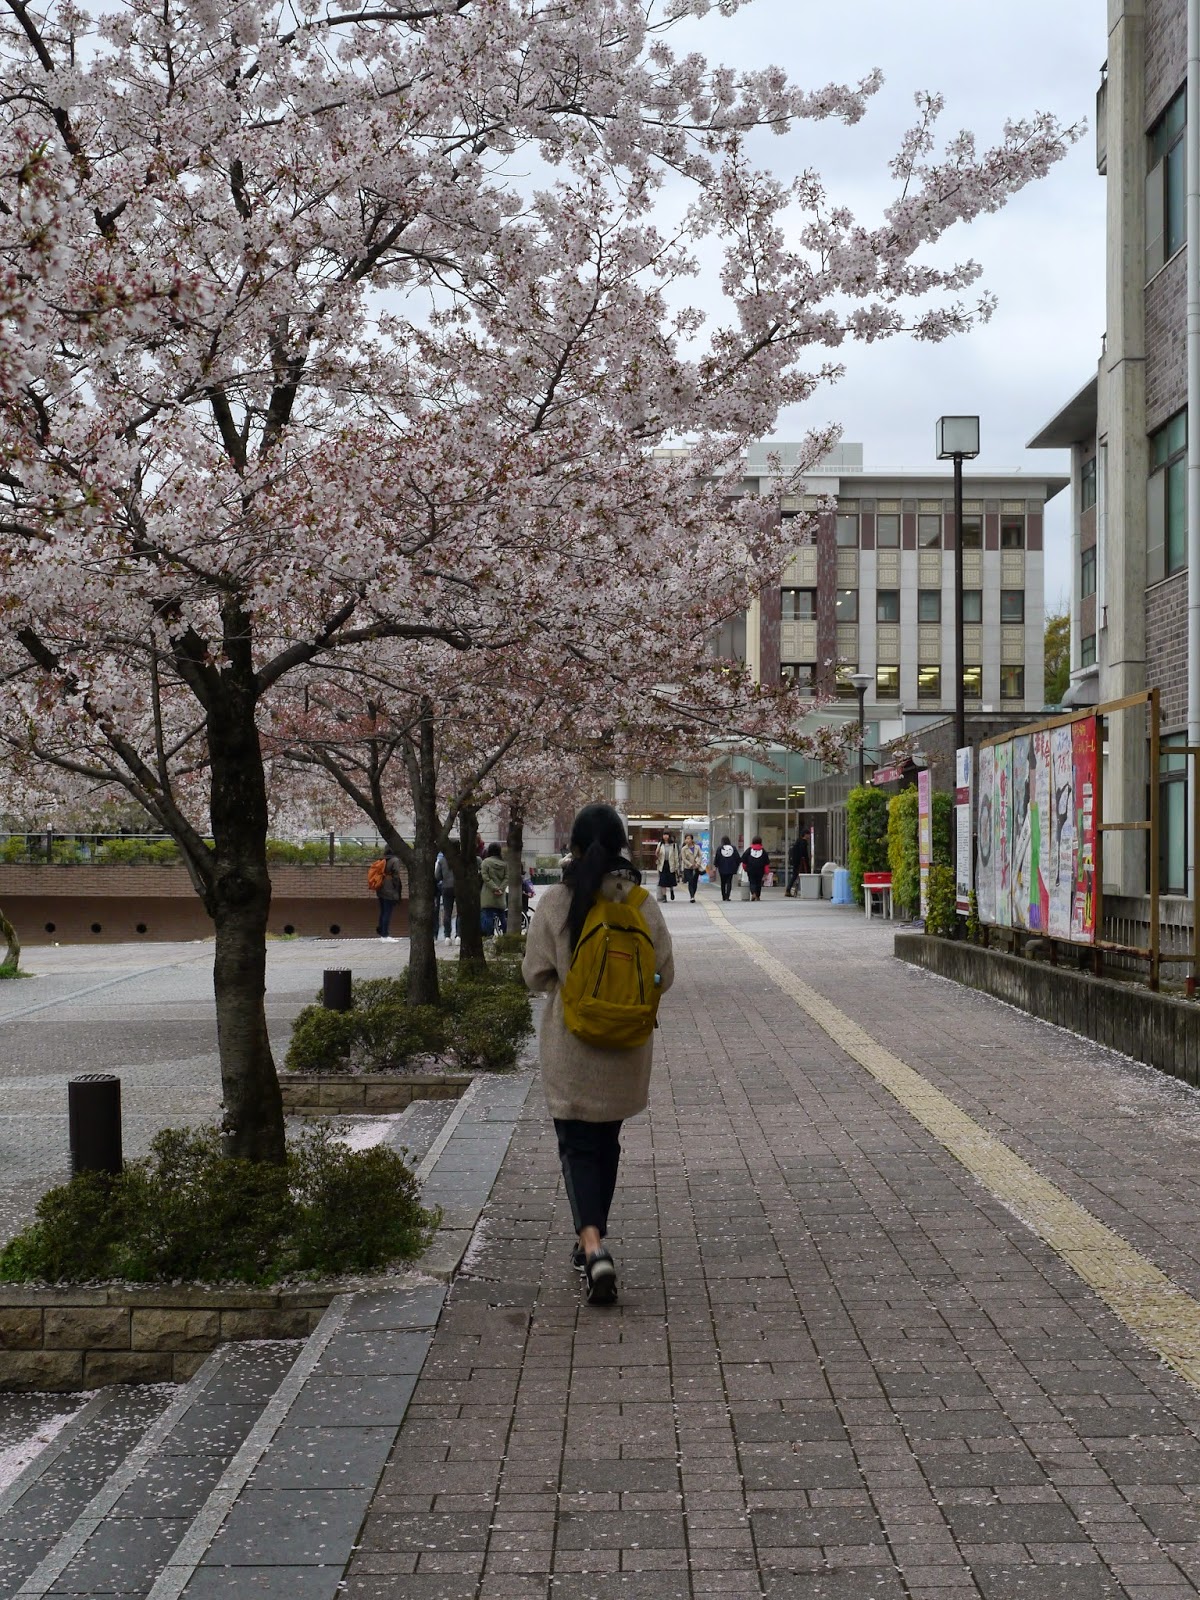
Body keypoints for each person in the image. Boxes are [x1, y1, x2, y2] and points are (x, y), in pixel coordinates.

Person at [522, 803, 674, 1305]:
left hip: (572, 1043)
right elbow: (665, 975)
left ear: (574, 847)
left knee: (576, 1145)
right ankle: (591, 1239)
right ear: (622, 847)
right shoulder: (642, 903)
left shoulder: (557, 902)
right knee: (606, 1142)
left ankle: (592, 1246)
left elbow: (535, 975)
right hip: (627, 1047)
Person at [480, 842, 509, 935]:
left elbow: (485, 877)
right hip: (500, 895)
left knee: (488, 916)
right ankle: (506, 935)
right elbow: (507, 878)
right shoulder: (504, 864)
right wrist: (500, 889)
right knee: (502, 916)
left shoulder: (485, 862)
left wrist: (494, 888)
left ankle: (489, 936)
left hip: (488, 894)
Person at [376, 848, 403, 938]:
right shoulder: (395, 860)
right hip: (389, 889)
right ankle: (385, 934)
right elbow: (396, 875)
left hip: (380, 887)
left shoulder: (382, 859)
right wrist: (397, 888)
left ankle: (381, 932)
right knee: (387, 912)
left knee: (383, 911)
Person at [435, 851, 456, 941]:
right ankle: (459, 935)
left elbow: (437, 876)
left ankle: (447, 935)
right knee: (460, 912)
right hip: (459, 887)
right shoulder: (459, 859)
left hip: (446, 887)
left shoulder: (442, 860)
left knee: (447, 912)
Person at [654, 828, 680, 902]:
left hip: (671, 864)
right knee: (662, 882)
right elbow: (657, 855)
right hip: (662, 865)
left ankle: (671, 890)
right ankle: (664, 897)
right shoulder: (660, 844)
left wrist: (676, 866)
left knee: (671, 881)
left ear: (669, 836)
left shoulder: (673, 845)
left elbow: (676, 856)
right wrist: (657, 852)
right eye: (664, 835)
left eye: (667, 835)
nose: (665, 836)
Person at [741, 836, 769, 902]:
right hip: (760, 869)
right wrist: (766, 872)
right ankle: (758, 896)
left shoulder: (749, 850)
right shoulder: (763, 851)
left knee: (752, 882)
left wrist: (745, 868)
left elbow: (744, 860)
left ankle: (753, 893)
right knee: (758, 882)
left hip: (751, 869)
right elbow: (766, 863)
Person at [714, 835, 740, 901]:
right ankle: (727, 896)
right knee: (729, 882)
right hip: (731, 868)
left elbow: (717, 858)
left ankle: (723, 896)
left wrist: (716, 866)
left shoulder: (720, 848)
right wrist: (736, 866)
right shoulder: (733, 848)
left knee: (723, 882)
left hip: (722, 868)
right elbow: (738, 858)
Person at [679, 833, 704, 903]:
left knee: (694, 882)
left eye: (689, 838)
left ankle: (693, 895)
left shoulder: (697, 847)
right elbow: (683, 858)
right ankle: (692, 896)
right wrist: (690, 864)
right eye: (686, 838)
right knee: (690, 881)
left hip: (696, 867)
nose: (687, 840)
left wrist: (698, 864)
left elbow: (700, 855)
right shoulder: (684, 849)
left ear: (692, 839)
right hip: (688, 867)